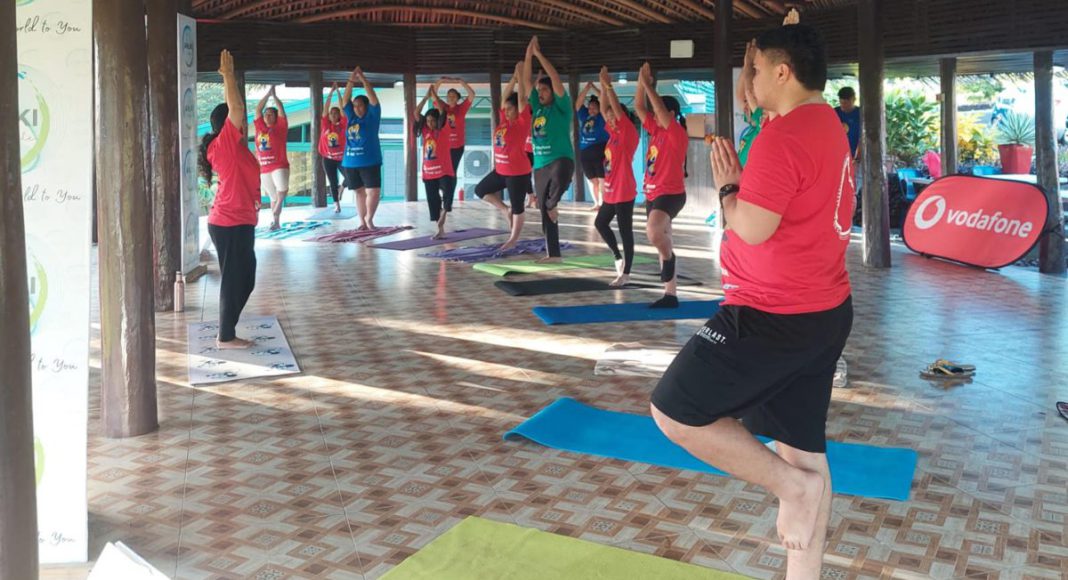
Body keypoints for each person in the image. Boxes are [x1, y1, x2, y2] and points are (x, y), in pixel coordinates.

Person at [651, 23, 855, 580]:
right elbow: (764, 100)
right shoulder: (824, 122)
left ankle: (792, 489)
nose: (751, 81)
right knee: (803, 449)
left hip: (770, 316)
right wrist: (757, 61)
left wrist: (727, 189)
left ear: (783, 72)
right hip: (823, 311)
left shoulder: (781, 139)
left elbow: (752, 227)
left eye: (758, 70)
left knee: (674, 409)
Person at [198, 49, 260, 349]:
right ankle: (225, 336)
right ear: (227, 126)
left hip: (239, 221)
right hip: (229, 222)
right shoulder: (225, 144)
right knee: (236, 279)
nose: (244, 121)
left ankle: (227, 330)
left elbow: (233, 110)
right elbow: (235, 108)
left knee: (245, 278)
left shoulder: (233, 147)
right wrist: (228, 76)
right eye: (240, 119)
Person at [635, 62, 688, 308]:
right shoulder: (655, 131)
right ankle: (670, 295)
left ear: (671, 114)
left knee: (654, 232)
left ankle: (669, 258)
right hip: (652, 194)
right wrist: (640, 82)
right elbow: (639, 107)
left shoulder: (676, 133)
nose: (654, 116)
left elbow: (656, 109)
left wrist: (649, 86)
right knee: (662, 237)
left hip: (671, 193)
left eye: (659, 113)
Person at [522, 36, 574, 262]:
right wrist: (528, 54)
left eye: (544, 89)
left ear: (553, 92)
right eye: (539, 89)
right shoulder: (537, 108)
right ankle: (553, 253)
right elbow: (526, 81)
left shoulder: (562, 107)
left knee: (559, 180)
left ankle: (553, 203)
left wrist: (539, 55)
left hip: (561, 159)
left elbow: (555, 78)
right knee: (544, 210)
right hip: (540, 164)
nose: (540, 92)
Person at [475, 62, 533, 252]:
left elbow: (522, 98)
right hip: (501, 171)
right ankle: (503, 209)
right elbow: (503, 98)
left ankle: (513, 239)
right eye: (505, 109)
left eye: (510, 109)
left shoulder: (522, 122)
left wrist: (521, 77)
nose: (506, 111)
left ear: (518, 110)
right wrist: (514, 78)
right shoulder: (504, 122)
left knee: (518, 207)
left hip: (517, 172)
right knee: (480, 190)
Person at [595, 66, 639, 287]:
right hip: (612, 191)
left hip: (624, 190)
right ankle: (617, 256)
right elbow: (605, 109)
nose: (610, 120)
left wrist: (609, 85)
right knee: (600, 223)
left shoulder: (628, 132)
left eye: (614, 117)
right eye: (609, 119)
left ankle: (626, 273)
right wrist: (602, 86)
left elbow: (614, 110)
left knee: (625, 231)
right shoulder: (613, 133)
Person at [411, 86, 456, 239]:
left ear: (438, 121)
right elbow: (416, 113)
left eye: (433, 120)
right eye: (428, 121)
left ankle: (444, 214)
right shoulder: (425, 131)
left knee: (448, 196)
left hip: (444, 171)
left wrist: (434, 96)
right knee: (433, 201)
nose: (430, 123)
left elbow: (443, 112)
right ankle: (440, 229)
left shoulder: (444, 129)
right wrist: (425, 98)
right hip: (429, 173)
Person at [341, 66, 383, 231]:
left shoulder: (372, 117)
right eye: (355, 106)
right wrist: (351, 80)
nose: (356, 108)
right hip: (350, 162)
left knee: (373, 192)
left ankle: (369, 219)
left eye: (360, 105)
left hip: (370, 161)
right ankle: (362, 222)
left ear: (366, 107)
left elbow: (373, 98)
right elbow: (345, 100)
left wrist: (363, 79)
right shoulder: (351, 117)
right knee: (359, 192)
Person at [254, 85, 289, 230]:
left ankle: (279, 206)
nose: (267, 116)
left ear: (276, 117)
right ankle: (276, 222)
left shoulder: (280, 127)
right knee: (272, 196)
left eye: (271, 114)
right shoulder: (260, 127)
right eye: (266, 114)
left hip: (279, 165)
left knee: (282, 189)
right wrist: (267, 94)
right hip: (264, 167)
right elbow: (258, 110)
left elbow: (281, 110)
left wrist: (275, 97)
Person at [576, 82, 610, 210]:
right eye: (590, 107)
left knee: (602, 179)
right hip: (585, 152)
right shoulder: (585, 115)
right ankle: (596, 203)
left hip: (599, 149)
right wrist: (586, 88)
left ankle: (604, 203)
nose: (591, 110)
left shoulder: (602, 117)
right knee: (592, 180)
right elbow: (578, 104)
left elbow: (604, 99)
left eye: (594, 108)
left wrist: (595, 88)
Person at [434, 77, 476, 175]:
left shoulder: (462, 108)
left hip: (457, 146)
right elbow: (433, 95)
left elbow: (472, 94)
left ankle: (450, 185)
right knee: (442, 169)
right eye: (448, 96)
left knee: (452, 171)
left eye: (453, 96)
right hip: (444, 145)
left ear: (457, 98)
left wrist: (461, 82)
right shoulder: (443, 107)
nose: (450, 97)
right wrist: (440, 81)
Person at [319, 82, 347, 213]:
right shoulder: (325, 125)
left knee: (351, 177)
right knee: (332, 181)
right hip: (328, 159)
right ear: (329, 116)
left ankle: (343, 187)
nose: (334, 115)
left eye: (336, 113)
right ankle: (336, 204)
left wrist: (339, 93)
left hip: (342, 158)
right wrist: (330, 93)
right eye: (332, 113)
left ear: (339, 115)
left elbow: (343, 108)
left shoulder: (343, 125)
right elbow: (325, 109)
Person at [835, 86, 861, 163]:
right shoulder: (834, 113)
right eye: (841, 103)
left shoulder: (860, 113)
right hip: (837, 155)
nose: (843, 106)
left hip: (856, 156)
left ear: (854, 99)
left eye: (846, 103)